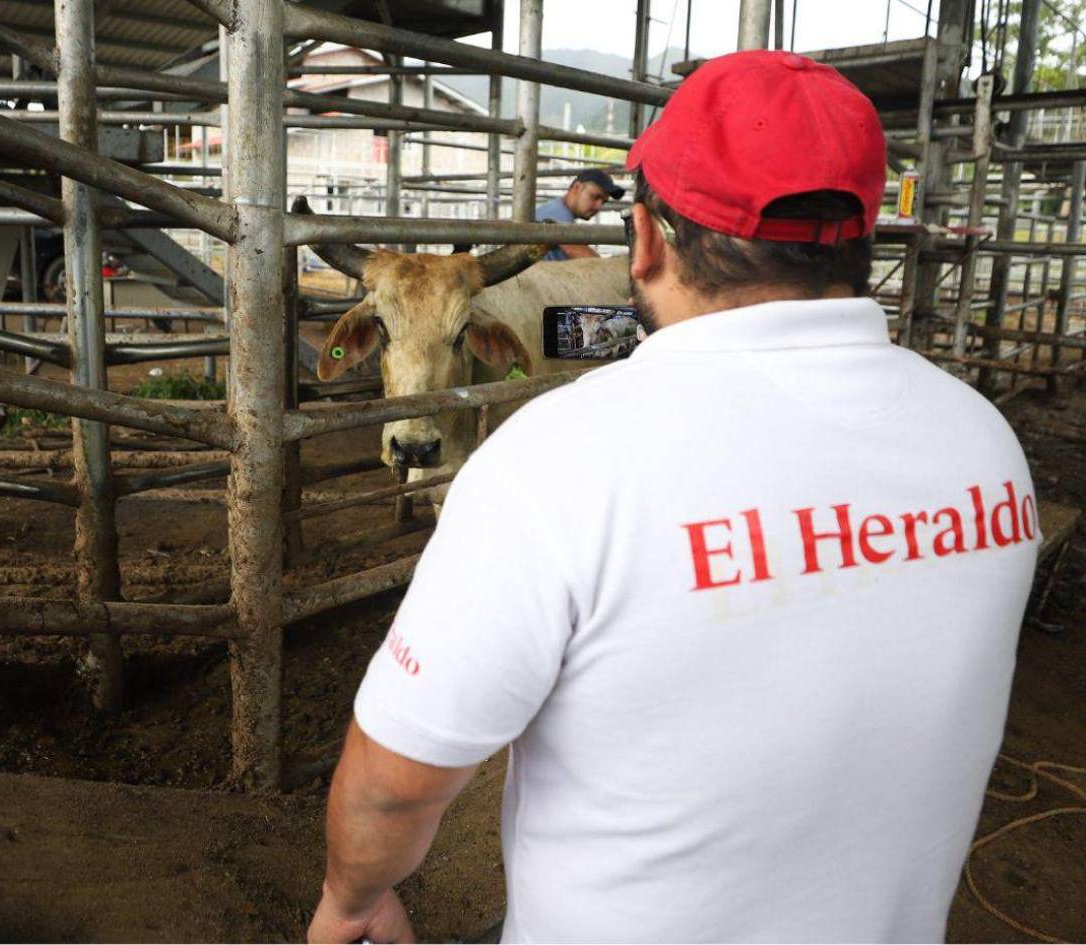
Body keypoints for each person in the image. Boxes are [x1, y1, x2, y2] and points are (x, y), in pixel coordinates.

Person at [308, 50, 1039, 944]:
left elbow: (394, 781)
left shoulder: (552, 461)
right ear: (864, 239)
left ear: (644, 240)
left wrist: (352, 897)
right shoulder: (986, 443)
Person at [534, 168, 625, 261]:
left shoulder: (556, 209)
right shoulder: (556, 215)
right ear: (576, 188)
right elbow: (588, 260)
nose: (599, 206)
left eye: (603, 202)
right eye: (595, 196)